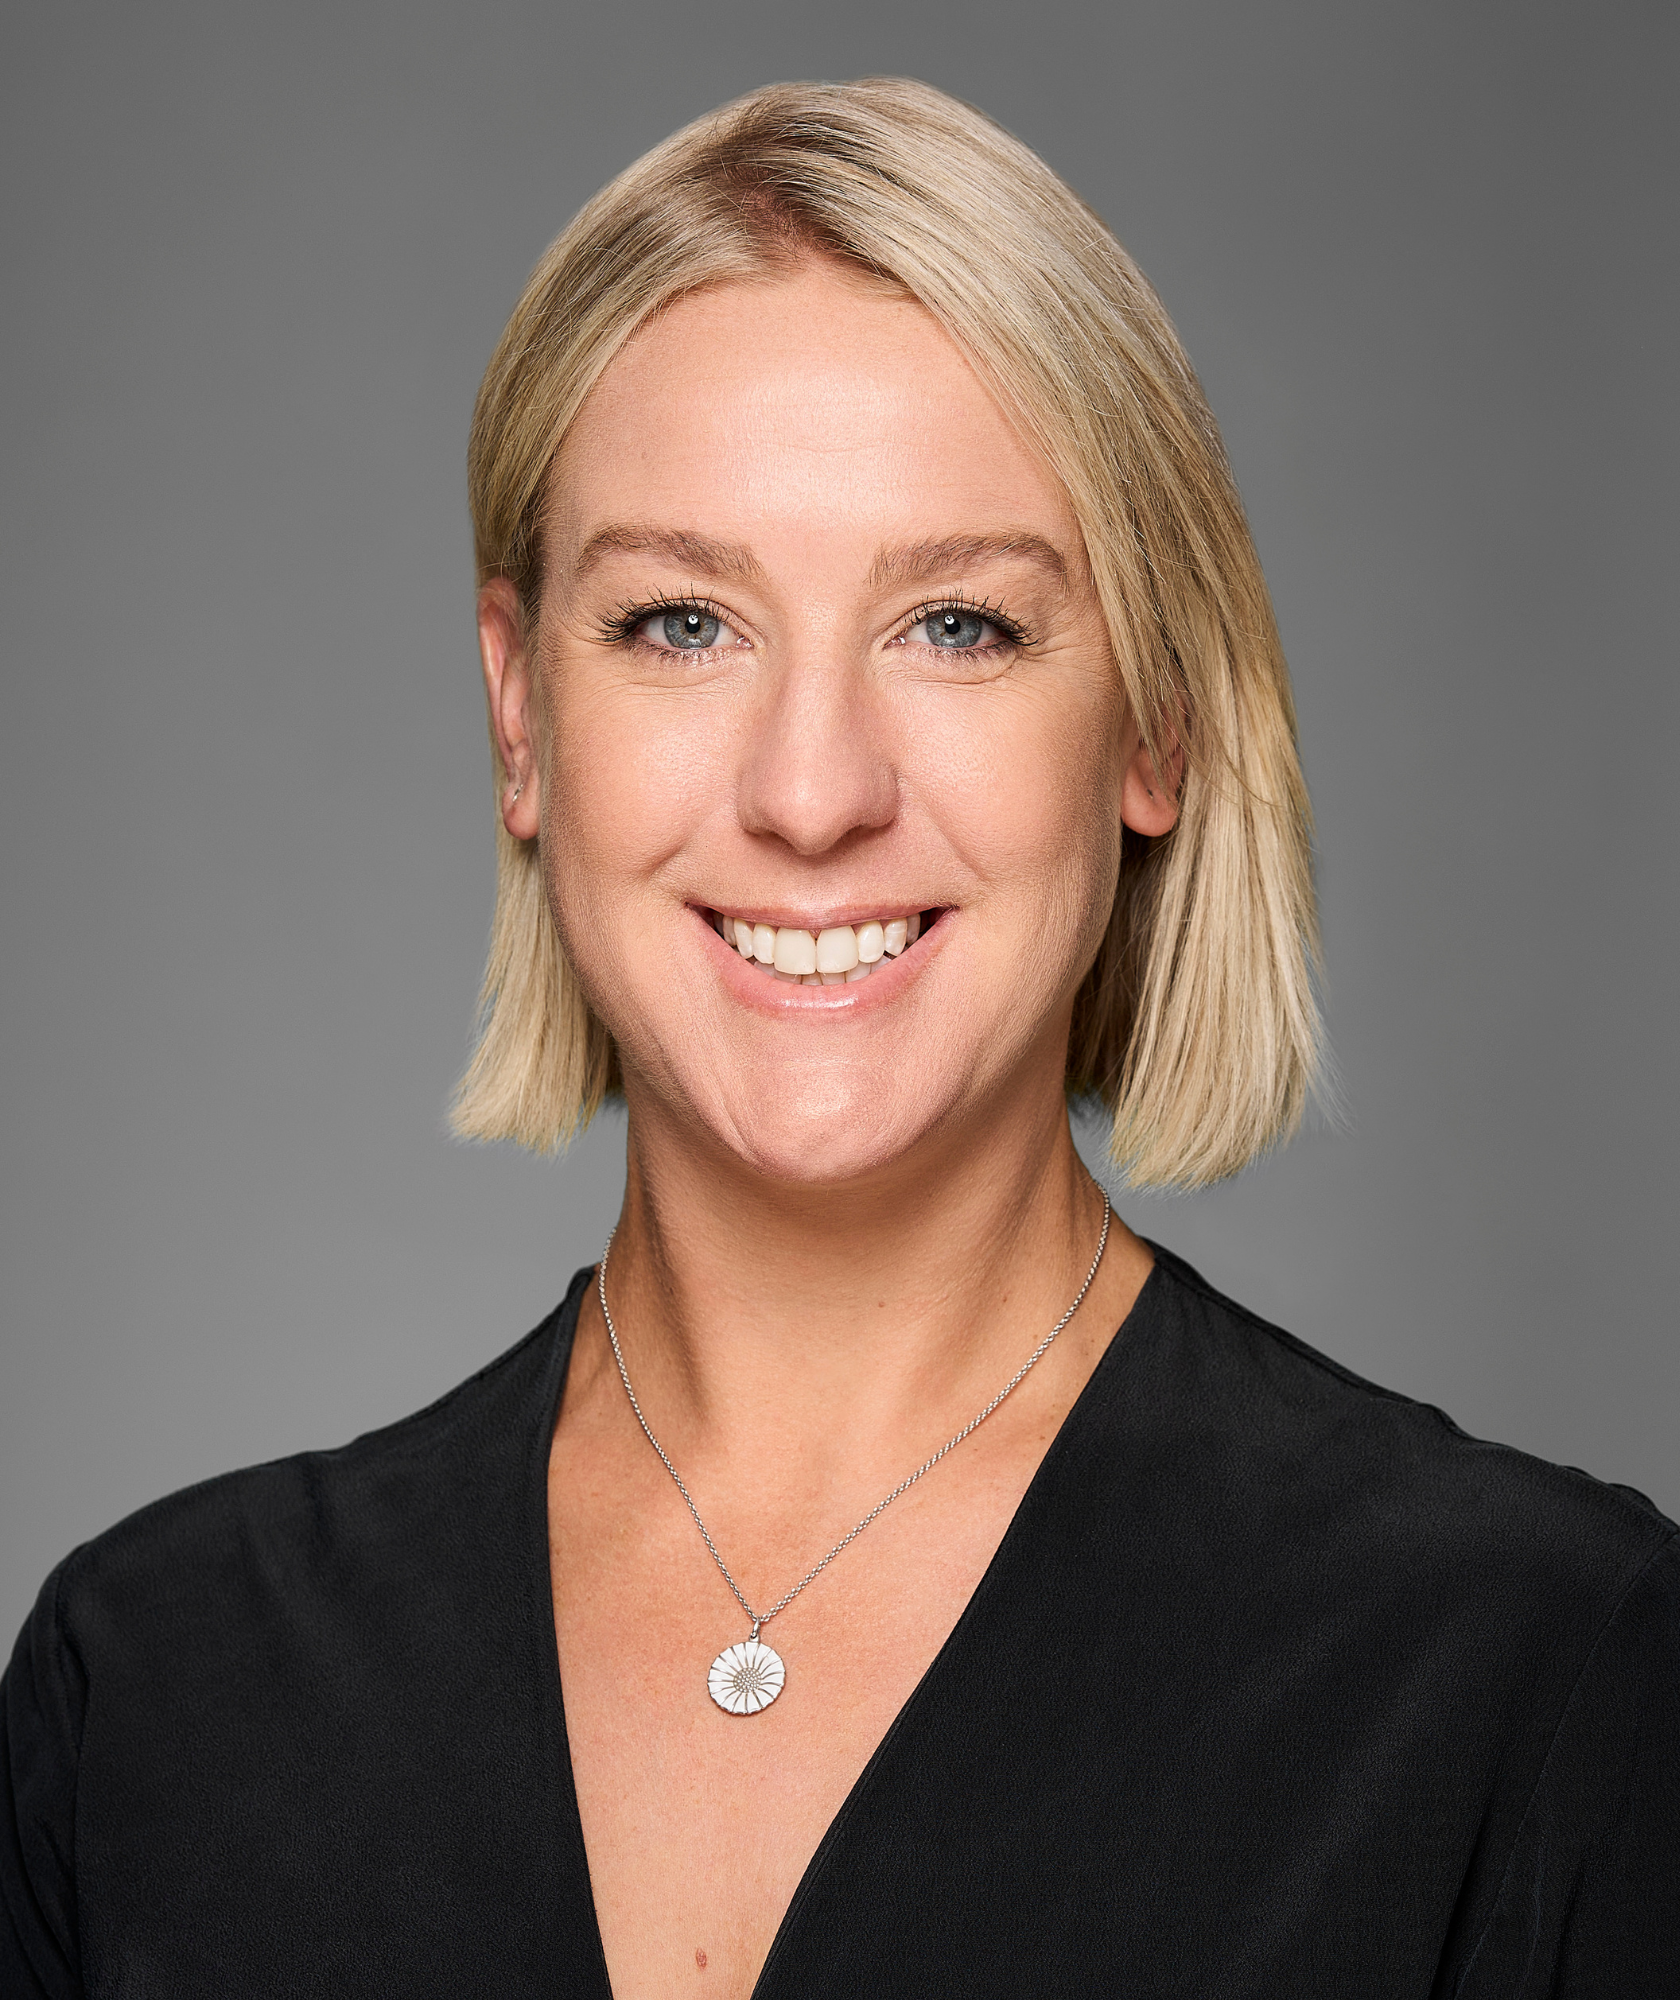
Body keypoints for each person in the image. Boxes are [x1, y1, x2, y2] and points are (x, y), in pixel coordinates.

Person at [3, 76, 1676, 1999]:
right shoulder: (148, 1700)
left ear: (1156, 727)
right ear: (521, 715)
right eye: (681, 624)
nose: (812, 794)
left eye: (959, 626)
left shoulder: (1543, 1679)